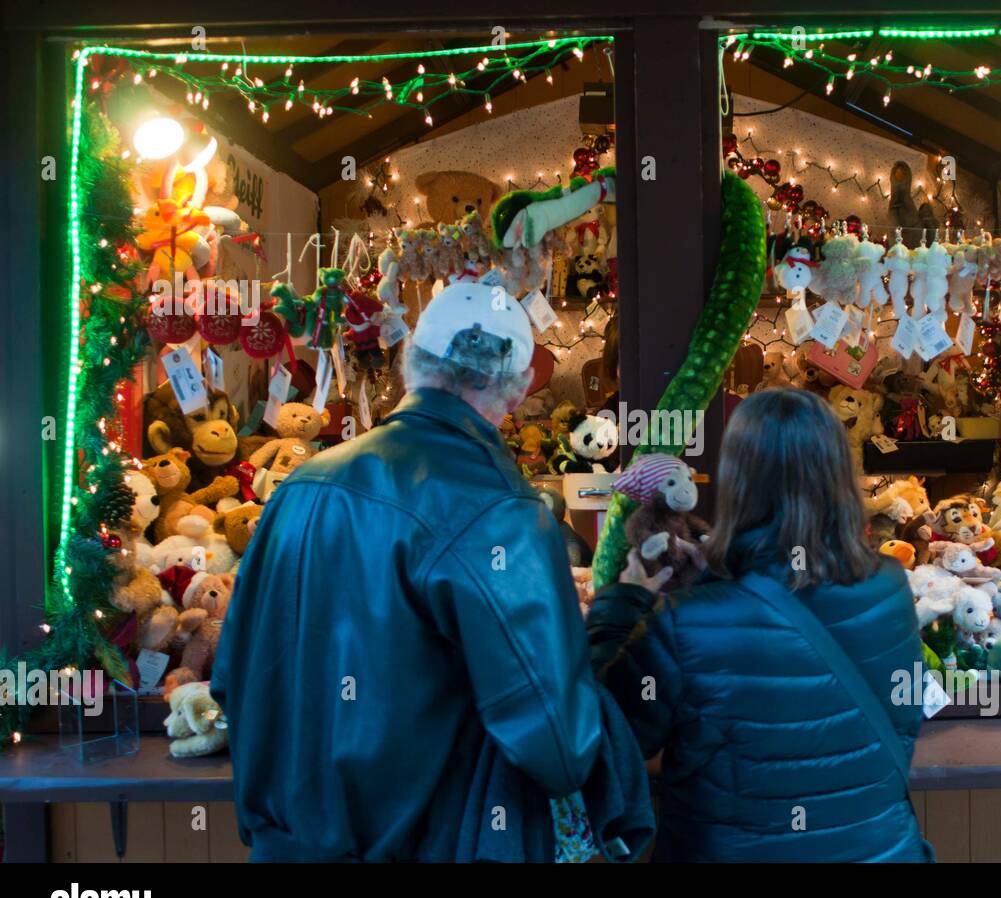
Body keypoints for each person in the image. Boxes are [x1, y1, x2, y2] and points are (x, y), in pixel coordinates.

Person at [212, 284, 607, 861]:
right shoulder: (501, 513)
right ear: (520, 388)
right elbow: (559, 746)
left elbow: (231, 679)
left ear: (410, 363)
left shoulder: (300, 487)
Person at [587, 388, 932, 862]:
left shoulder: (687, 621)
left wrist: (624, 600)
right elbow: (904, 715)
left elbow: (608, 733)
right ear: (838, 477)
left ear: (738, 482)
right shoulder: (891, 589)